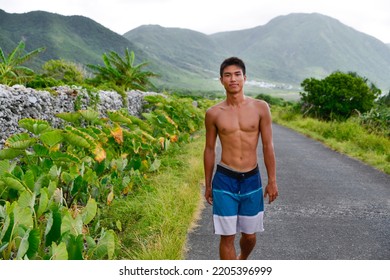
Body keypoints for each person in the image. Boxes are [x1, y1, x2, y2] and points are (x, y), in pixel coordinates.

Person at [203, 57, 278, 260]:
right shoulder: (213, 113)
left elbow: (267, 145)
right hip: (224, 179)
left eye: (237, 74)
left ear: (245, 78)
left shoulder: (260, 108)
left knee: (250, 235)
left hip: (251, 179)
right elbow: (209, 149)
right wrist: (207, 184)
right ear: (221, 80)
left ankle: (242, 259)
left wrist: (272, 181)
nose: (233, 79)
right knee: (226, 237)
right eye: (228, 75)